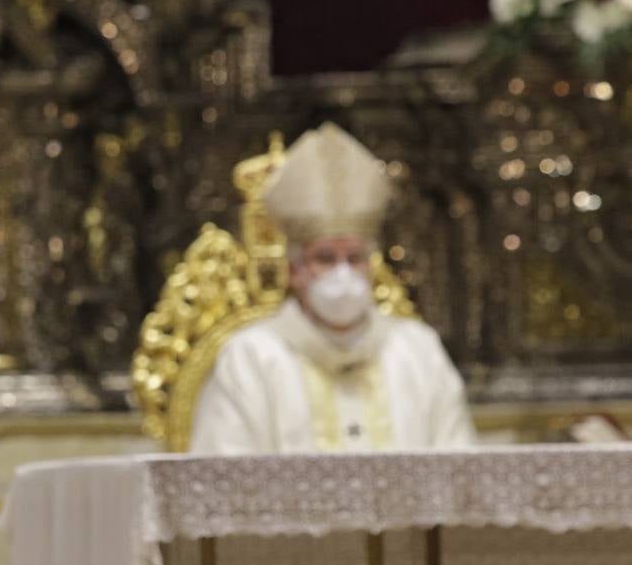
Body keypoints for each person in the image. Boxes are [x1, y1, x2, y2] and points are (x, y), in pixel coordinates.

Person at [190, 122, 474, 453]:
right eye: (325, 258)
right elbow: (220, 481)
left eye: (354, 257)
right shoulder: (251, 358)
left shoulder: (418, 352)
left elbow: (458, 472)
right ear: (294, 270)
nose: (343, 272)